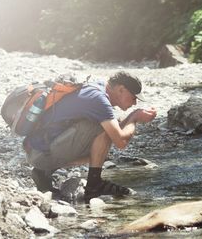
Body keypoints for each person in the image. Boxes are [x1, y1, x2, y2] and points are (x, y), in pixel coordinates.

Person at [22, 71, 157, 202]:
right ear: (121, 89)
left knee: (102, 145)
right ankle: (94, 184)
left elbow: (113, 133)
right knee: (101, 128)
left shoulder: (96, 88)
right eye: (134, 97)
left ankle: (44, 171)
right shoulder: (99, 99)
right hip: (41, 154)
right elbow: (120, 141)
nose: (134, 103)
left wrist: (131, 116)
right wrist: (135, 117)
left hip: (39, 150)